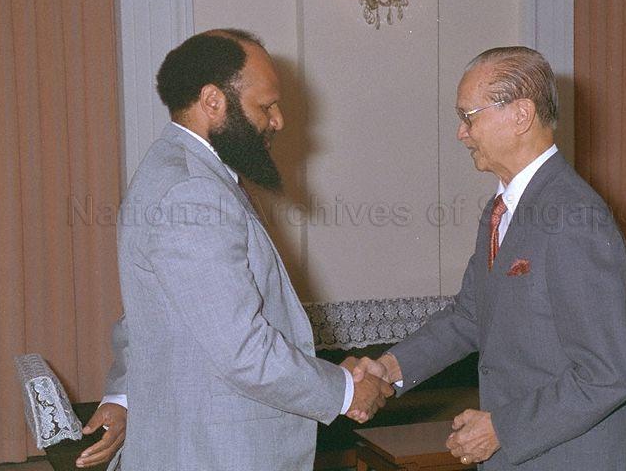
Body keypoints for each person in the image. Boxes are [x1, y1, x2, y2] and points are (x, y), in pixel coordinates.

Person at [75, 28, 392, 471]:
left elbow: (153, 311)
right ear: (213, 101)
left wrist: (124, 396)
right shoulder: (193, 191)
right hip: (217, 453)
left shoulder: (175, 169)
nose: (278, 120)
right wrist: (345, 391)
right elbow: (243, 350)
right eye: (266, 106)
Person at [353, 47, 626, 470]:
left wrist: (502, 429)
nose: (462, 133)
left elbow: (607, 374)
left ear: (520, 115)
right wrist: (388, 369)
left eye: (468, 116)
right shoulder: (502, 210)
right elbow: (470, 316)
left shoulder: (573, 217)